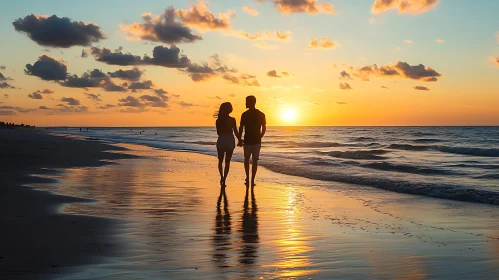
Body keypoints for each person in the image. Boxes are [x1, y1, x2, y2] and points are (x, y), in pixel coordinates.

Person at [238, 96, 266, 187]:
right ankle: (250, 178)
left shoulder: (249, 114)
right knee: (252, 160)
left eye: (246, 102)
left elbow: (241, 128)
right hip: (252, 140)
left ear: (252, 102)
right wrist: (260, 137)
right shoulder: (248, 114)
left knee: (249, 159)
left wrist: (239, 139)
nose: (245, 103)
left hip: (251, 140)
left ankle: (250, 178)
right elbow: (241, 128)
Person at [215, 102, 242, 186]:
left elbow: (218, 133)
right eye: (231, 107)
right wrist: (240, 140)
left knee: (220, 160)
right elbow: (236, 132)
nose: (232, 108)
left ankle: (221, 177)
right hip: (230, 139)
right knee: (227, 161)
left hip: (222, 138)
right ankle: (224, 179)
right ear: (228, 109)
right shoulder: (232, 119)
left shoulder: (218, 120)